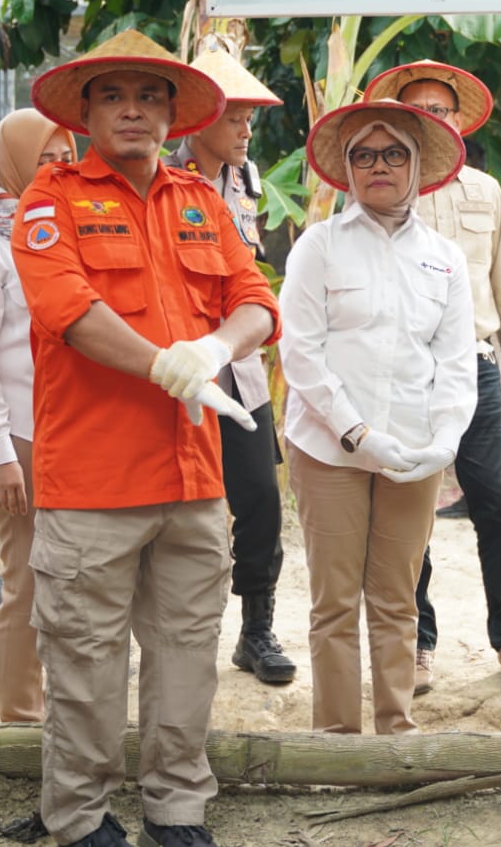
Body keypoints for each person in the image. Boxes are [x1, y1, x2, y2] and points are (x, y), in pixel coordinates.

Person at [13, 28, 279, 847]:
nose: (133, 109)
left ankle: (176, 802)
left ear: (173, 110)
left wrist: (214, 348)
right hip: (93, 480)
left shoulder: (201, 199)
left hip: (195, 475)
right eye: (114, 95)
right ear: (86, 110)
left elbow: (256, 299)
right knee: (86, 661)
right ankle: (81, 814)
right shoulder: (50, 199)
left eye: (150, 94)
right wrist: (161, 362)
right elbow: (69, 312)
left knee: (188, 652)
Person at [279, 99, 476, 734]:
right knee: (334, 602)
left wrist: (446, 436)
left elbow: (454, 356)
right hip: (329, 451)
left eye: (394, 154)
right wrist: (357, 431)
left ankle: (395, 735)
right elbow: (300, 351)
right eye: (364, 155)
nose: (379, 166)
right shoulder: (321, 245)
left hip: (414, 453)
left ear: (418, 166)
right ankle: (336, 742)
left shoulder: (445, 257)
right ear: (347, 169)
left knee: (396, 598)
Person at [364, 61, 501, 696]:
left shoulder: (486, 192)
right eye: (421, 111)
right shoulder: (380, 189)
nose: (434, 121)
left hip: (475, 366)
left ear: (459, 121)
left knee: (497, 505)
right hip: (403, 374)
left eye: (444, 111)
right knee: (409, 511)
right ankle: (417, 645)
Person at [163, 41, 295, 686]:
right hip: (181, 373)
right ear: (197, 118)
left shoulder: (248, 179)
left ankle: (257, 629)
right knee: (186, 510)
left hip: (242, 370)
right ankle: (180, 641)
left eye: (250, 118)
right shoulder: (162, 177)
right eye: (235, 116)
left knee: (261, 502)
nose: (246, 129)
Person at [0, 108, 77, 725]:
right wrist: (0, 455)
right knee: (22, 578)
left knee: (67, 576)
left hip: (69, 428)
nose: (56, 170)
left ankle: (50, 705)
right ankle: (18, 714)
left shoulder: (62, 235)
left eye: (64, 157)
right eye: (43, 159)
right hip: (18, 433)